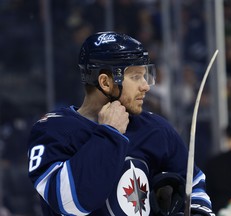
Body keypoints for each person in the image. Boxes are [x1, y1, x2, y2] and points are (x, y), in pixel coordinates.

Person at [27, 31, 214, 216]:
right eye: (135, 77)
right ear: (105, 82)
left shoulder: (156, 129)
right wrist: (109, 133)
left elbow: (194, 182)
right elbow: (69, 202)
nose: (145, 86)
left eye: (145, 75)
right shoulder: (54, 131)